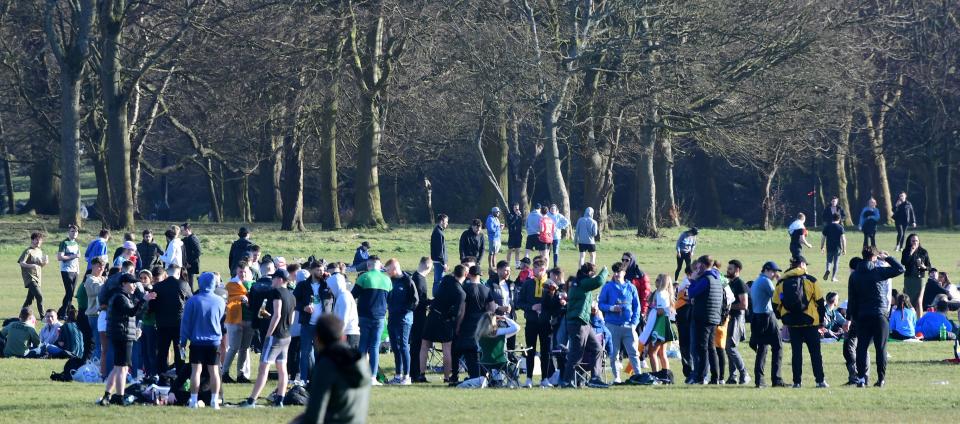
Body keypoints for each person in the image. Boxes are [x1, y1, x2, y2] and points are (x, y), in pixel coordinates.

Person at [292, 315, 371, 424]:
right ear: (343, 337)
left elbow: (315, 416)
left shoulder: (327, 365)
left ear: (317, 339)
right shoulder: (361, 362)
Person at [847, 246, 905, 388]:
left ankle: (861, 378)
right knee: (881, 348)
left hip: (862, 315)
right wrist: (887, 258)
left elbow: (852, 299)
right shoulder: (877, 271)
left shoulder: (854, 276)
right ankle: (881, 379)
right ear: (874, 257)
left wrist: (849, 318)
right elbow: (900, 269)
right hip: (879, 314)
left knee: (861, 347)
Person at [240, 268, 295, 408]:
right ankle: (280, 400)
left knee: (263, 368)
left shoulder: (277, 293)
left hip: (275, 336)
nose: (272, 281)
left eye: (274, 278)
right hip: (287, 335)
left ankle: (251, 400)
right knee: (282, 368)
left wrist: (269, 334)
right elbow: (291, 318)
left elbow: (277, 315)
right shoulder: (291, 295)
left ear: (280, 279)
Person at [99, 274, 155, 406]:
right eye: (132, 283)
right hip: (123, 335)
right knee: (123, 368)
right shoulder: (120, 297)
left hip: (120, 335)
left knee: (118, 367)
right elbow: (131, 312)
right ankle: (119, 396)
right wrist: (144, 299)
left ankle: (107, 395)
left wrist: (142, 301)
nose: (135, 285)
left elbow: (133, 312)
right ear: (123, 283)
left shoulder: (121, 296)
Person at [773, 255, 827, 388]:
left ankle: (797, 382)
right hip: (810, 322)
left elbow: (775, 304)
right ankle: (820, 381)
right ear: (802, 264)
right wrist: (821, 321)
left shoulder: (781, 282)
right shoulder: (811, 280)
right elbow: (820, 302)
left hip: (792, 323)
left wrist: (782, 317)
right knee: (815, 353)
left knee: (796, 353)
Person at [559, 262, 610, 389]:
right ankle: (566, 381)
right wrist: (605, 270)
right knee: (576, 353)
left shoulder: (579, 283)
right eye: (593, 274)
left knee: (598, 349)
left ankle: (595, 378)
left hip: (584, 322)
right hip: (577, 323)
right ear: (589, 273)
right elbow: (599, 281)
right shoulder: (582, 283)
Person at [180, 272, 225, 409]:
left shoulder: (193, 300)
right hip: (214, 342)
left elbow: (186, 323)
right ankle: (214, 400)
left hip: (197, 342)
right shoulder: (220, 301)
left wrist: (183, 341)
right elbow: (222, 320)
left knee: (196, 371)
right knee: (214, 372)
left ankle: (193, 400)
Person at [420, 265, 466, 384]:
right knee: (446, 349)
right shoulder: (461, 293)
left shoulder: (446, 279)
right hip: (445, 320)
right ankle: (446, 377)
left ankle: (421, 374)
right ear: (465, 275)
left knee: (425, 345)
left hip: (432, 316)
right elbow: (456, 313)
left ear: (454, 273)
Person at [598, 262, 642, 383]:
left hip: (629, 326)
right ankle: (616, 378)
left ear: (624, 273)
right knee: (614, 354)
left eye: (619, 272)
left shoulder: (631, 287)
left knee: (633, 352)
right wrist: (612, 308)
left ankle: (638, 375)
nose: (617, 274)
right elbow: (601, 304)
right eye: (615, 272)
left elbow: (637, 307)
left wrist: (634, 323)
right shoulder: (607, 287)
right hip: (612, 325)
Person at [451, 265, 495, 384]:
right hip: (482, 325)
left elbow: (462, 311)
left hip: (467, 324)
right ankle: (480, 375)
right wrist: (492, 326)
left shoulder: (465, 288)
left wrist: (458, 325)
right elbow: (491, 309)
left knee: (466, 351)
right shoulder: (486, 290)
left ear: (469, 275)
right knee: (479, 351)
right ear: (480, 275)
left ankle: (469, 376)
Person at [293, 260, 334, 383]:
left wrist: (331, 281)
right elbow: (294, 301)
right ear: (311, 271)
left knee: (320, 353)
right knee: (304, 352)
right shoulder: (302, 285)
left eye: (322, 270)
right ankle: (304, 379)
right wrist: (303, 307)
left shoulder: (326, 284)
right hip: (307, 324)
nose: (321, 272)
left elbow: (335, 295)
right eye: (318, 270)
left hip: (321, 325)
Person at [352, 256, 391, 384]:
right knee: (374, 347)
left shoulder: (364, 277)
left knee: (362, 346)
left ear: (368, 265)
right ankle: (373, 377)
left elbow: (353, 296)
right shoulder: (387, 280)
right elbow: (390, 300)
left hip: (363, 317)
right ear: (380, 266)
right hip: (379, 318)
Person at [516, 257, 553, 388]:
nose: (540, 271)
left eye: (542, 269)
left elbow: (554, 305)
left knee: (545, 351)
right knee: (530, 350)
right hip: (531, 322)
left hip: (545, 323)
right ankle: (529, 378)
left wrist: (548, 304)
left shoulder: (550, 284)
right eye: (537, 268)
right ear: (534, 269)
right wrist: (531, 307)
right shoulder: (528, 283)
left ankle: (544, 378)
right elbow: (518, 302)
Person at [686, 255, 723, 385]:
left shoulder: (705, 279)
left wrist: (693, 279)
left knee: (702, 348)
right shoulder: (717, 278)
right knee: (711, 347)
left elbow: (692, 293)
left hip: (703, 317)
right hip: (714, 317)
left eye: (698, 265)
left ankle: (701, 377)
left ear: (702, 265)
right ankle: (715, 377)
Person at [750, 261, 786, 388]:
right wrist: (780, 282)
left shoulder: (757, 281)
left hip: (757, 317)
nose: (775, 274)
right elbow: (778, 297)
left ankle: (759, 381)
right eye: (773, 271)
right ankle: (776, 379)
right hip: (767, 317)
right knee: (778, 347)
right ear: (766, 270)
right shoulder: (765, 281)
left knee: (762, 348)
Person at [151, 263, 192, 373]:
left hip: (162, 323)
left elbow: (152, 306)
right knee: (179, 349)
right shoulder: (184, 285)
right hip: (179, 323)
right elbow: (190, 302)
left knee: (162, 351)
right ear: (178, 273)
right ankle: (180, 373)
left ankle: (161, 374)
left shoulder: (158, 286)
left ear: (167, 273)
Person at [386, 259, 419, 385]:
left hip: (404, 319)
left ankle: (407, 376)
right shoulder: (390, 281)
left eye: (388, 269)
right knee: (395, 347)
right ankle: (398, 375)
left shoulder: (408, 281)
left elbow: (415, 300)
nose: (387, 272)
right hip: (392, 318)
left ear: (394, 268)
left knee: (404, 346)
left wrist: (404, 310)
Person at [223, 261, 255, 384]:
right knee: (234, 348)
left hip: (249, 319)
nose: (243, 274)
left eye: (245, 271)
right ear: (237, 271)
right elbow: (227, 299)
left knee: (245, 348)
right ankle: (224, 372)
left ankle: (241, 374)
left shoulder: (252, 284)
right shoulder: (231, 284)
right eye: (240, 272)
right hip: (234, 320)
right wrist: (239, 298)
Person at [725, 260, 750, 385]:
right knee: (729, 347)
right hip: (731, 318)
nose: (727, 271)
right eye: (728, 268)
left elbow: (744, 304)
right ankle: (733, 376)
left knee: (730, 347)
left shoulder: (740, 283)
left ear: (737, 270)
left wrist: (727, 307)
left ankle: (744, 373)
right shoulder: (732, 283)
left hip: (737, 318)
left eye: (730, 269)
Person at [645, 274, 676, 373]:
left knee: (652, 352)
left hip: (659, 324)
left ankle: (656, 374)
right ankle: (666, 374)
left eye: (658, 280)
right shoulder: (667, 293)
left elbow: (660, 311)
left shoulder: (660, 293)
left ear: (662, 282)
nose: (656, 281)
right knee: (662, 353)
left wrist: (653, 309)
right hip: (665, 324)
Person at [326, 262, 360, 349]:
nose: (330, 291)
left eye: (330, 287)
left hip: (348, 334)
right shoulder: (344, 295)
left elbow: (343, 320)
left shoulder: (343, 298)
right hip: (349, 333)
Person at [409, 258, 432, 383]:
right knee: (417, 345)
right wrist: (431, 301)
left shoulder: (418, 278)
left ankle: (415, 372)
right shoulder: (418, 279)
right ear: (428, 266)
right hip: (418, 317)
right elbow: (418, 300)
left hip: (419, 316)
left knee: (418, 345)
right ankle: (415, 372)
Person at [19, 231, 49, 316]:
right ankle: (43, 317)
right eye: (36, 240)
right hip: (30, 278)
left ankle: (21, 316)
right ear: (32, 240)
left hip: (37, 278)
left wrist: (45, 263)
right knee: (39, 296)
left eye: (40, 240)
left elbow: (39, 266)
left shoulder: (39, 251)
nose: (39, 242)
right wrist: (31, 265)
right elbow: (21, 263)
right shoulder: (28, 251)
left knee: (29, 299)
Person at [900, 233, 931, 314]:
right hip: (909, 279)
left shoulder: (923, 252)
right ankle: (910, 318)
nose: (915, 242)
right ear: (909, 242)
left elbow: (929, 267)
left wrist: (924, 267)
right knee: (908, 301)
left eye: (916, 241)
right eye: (913, 241)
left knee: (919, 301)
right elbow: (904, 262)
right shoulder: (906, 251)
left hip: (920, 279)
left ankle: (919, 321)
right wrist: (911, 252)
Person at [82, 258, 106, 360]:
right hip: (94, 314)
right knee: (98, 344)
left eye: (103, 266)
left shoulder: (102, 279)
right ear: (93, 266)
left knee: (102, 344)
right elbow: (98, 290)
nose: (101, 268)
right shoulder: (90, 279)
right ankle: (94, 366)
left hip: (99, 314)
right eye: (98, 266)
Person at [56, 225, 81, 318]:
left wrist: (78, 270)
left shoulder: (76, 244)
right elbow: (60, 257)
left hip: (75, 271)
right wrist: (72, 256)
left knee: (71, 293)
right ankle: (63, 313)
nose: (74, 233)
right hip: (66, 270)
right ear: (68, 232)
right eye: (72, 231)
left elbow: (78, 257)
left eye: (76, 232)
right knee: (69, 292)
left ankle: (66, 312)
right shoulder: (64, 243)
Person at [820, 213, 847, 282]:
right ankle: (833, 277)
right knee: (836, 263)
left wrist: (822, 247)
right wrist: (844, 249)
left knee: (829, 261)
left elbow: (823, 238)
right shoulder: (840, 227)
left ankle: (828, 269)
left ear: (832, 218)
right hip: (837, 248)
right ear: (839, 219)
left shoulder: (827, 226)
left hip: (829, 247)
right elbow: (843, 239)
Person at [430, 214, 449, 289]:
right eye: (446, 222)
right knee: (439, 281)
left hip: (438, 261)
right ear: (441, 221)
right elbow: (440, 250)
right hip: (439, 262)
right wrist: (444, 263)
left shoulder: (438, 231)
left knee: (438, 280)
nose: (447, 223)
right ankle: (436, 298)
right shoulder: (438, 233)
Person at [181, 223, 202, 289]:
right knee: (186, 283)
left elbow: (198, 252)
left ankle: (190, 297)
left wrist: (189, 263)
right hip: (186, 264)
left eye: (182, 230)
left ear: (187, 230)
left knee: (189, 285)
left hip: (190, 265)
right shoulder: (186, 239)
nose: (181, 232)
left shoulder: (193, 238)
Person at [506, 204, 525, 268]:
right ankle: (507, 265)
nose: (517, 209)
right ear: (513, 208)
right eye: (515, 208)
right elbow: (510, 223)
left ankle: (517, 265)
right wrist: (516, 216)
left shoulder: (519, 215)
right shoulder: (510, 215)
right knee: (510, 251)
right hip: (512, 236)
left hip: (518, 236)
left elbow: (522, 224)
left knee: (517, 251)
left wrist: (520, 216)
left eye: (517, 208)